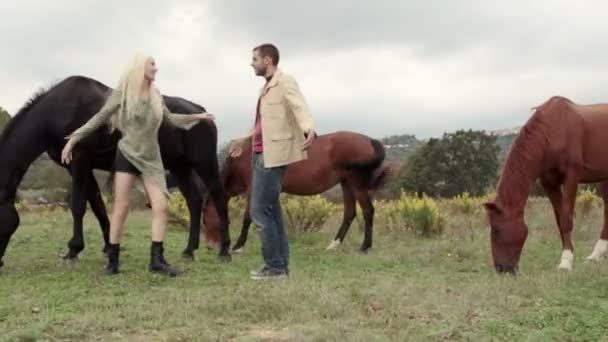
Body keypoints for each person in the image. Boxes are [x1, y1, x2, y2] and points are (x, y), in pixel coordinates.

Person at [61, 52, 214, 277]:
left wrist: (197, 118)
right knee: (121, 208)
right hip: (127, 155)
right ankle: (112, 262)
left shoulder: (155, 95)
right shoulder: (122, 95)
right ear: (140, 67)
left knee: (161, 206)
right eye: (152, 64)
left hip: (152, 159)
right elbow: (100, 117)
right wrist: (74, 139)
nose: (156, 68)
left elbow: (170, 119)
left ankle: (157, 261)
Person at [229, 43, 316, 280]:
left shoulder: (284, 81)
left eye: (254, 59)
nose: (251, 63)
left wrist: (308, 127)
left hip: (273, 154)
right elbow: (260, 126)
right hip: (259, 152)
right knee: (272, 211)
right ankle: (280, 266)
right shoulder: (265, 88)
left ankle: (275, 267)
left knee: (258, 210)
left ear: (267, 60)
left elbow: (299, 105)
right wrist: (244, 142)